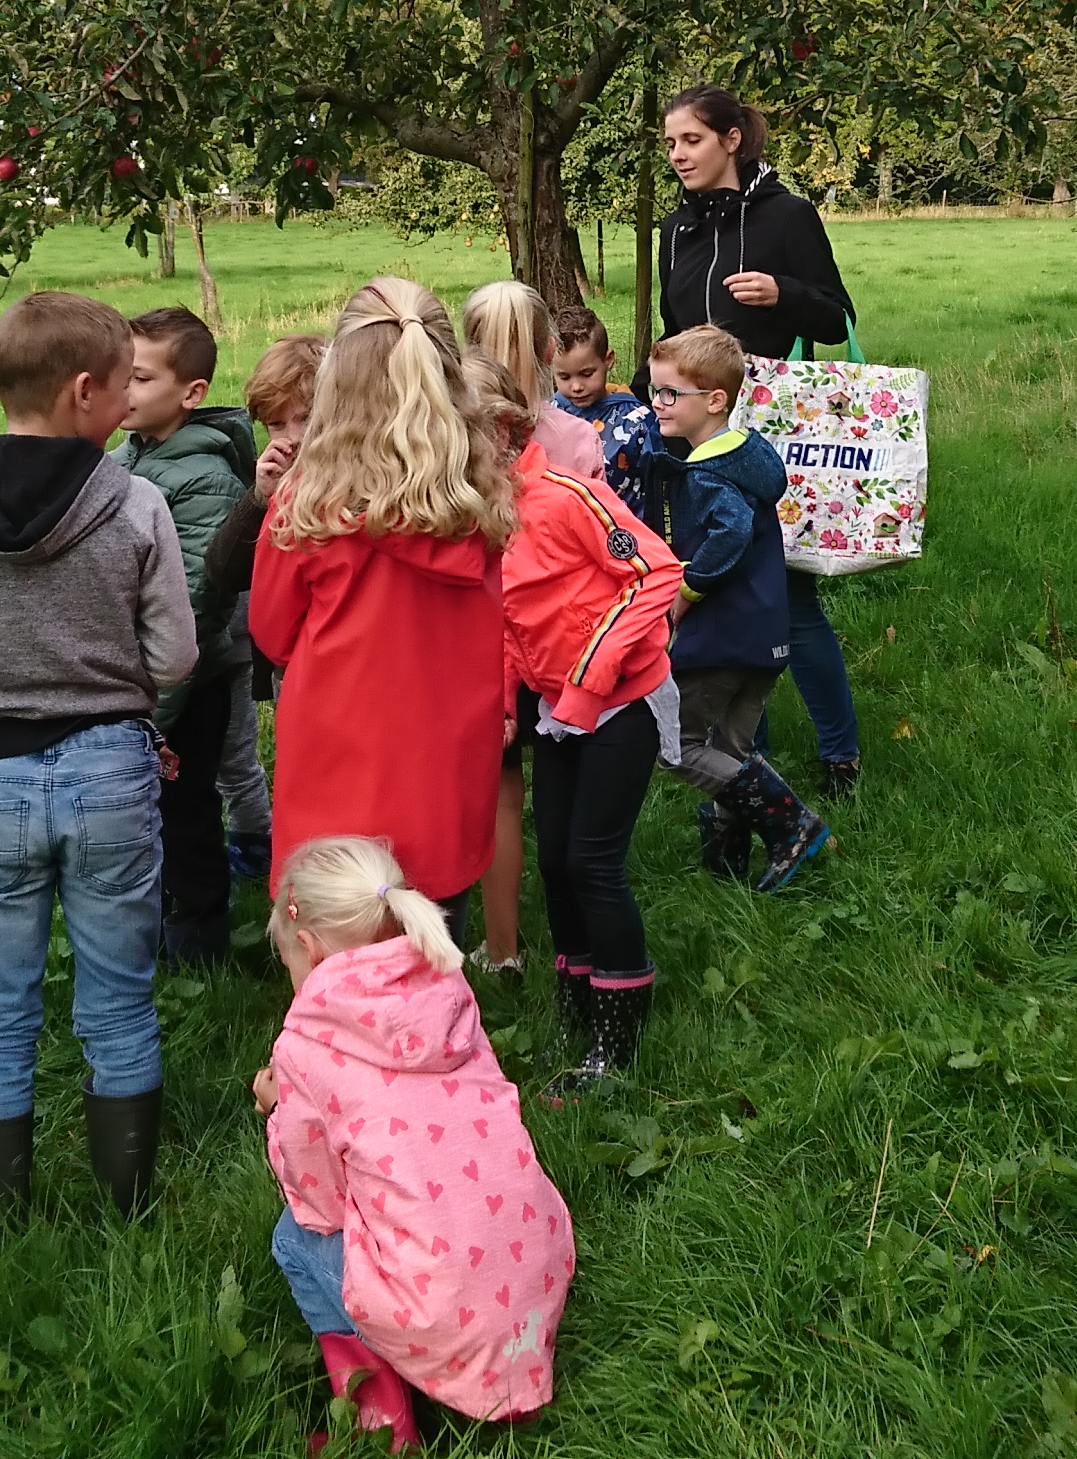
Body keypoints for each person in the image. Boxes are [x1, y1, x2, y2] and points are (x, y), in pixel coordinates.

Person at [0, 291, 196, 1220]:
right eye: (122, 388)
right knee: (119, 998)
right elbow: (174, 655)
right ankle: (126, 1205)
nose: (131, 405)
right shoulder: (136, 502)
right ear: (84, 392)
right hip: (110, 772)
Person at [258, 835, 572, 1446]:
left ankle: (381, 1422)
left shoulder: (304, 1049)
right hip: (536, 1276)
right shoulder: (448, 990)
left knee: (293, 1239)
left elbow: (317, 1203)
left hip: (442, 1309)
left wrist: (278, 1110)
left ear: (308, 945)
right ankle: (501, 1369)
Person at [251, 277, 517, 904]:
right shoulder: (478, 494)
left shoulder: (308, 501)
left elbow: (270, 632)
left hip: (338, 757)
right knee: (433, 931)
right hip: (444, 758)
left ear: (335, 380)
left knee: (338, 932)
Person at [478, 354, 681, 1089]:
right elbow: (509, 619)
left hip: (621, 701)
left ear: (502, 431)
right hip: (553, 710)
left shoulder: (564, 497)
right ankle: (577, 1004)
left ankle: (618, 1043)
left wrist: (593, 677)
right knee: (556, 861)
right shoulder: (487, 513)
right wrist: (508, 705)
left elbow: (657, 571)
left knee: (594, 863)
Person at [658, 82, 864, 800]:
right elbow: (671, 339)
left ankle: (841, 757)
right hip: (700, 447)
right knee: (722, 596)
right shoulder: (676, 232)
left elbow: (838, 317)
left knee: (791, 600)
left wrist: (785, 294)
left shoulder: (788, 217)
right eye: (672, 144)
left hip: (771, 443)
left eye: (692, 140)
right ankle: (753, 761)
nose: (679, 155)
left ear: (731, 140)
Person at [648, 323, 834, 893]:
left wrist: (687, 590)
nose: (657, 404)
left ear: (715, 400)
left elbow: (729, 534)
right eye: (655, 390)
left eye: (669, 394)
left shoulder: (706, 473)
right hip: (765, 633)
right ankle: (725, 855)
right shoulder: (749, 455)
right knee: (731, 748)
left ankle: (792, 823)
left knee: (674, 746)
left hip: (721, 636)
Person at [458, 282, 601, 975]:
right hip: (564, 638)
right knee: (566, 783)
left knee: (501, 789)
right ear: (551, 350)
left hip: (483, 632)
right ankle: (581, 923)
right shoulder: (576, 435)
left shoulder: (458, 435)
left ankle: (504, 947)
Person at [119, 306, 259, 970]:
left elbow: (202, 598)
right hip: (141, 677)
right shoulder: (129, 457)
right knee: (148, 810)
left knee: (187, 809)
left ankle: (200, 947)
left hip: (189, 680)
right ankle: (150, 927)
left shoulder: (204, 478)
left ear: (191, 393)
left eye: (141, 378)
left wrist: (160, 704)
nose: (124, 390)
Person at [201, 335, 326, 890]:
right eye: (276, 425)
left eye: (304, 419)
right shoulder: (274, 484)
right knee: (308, 783)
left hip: (351, 669)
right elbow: (226, 572)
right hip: (293, 672)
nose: (291, 438)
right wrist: (259, 499)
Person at [551, 303, 668, 533]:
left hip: (626, 536)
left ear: (608, 359)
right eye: (564, 376)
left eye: (586, 374)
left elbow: (660, 488)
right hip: (565, 535)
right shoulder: (547, 415)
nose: (576, 386)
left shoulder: (638, 421)